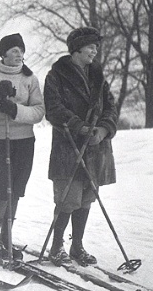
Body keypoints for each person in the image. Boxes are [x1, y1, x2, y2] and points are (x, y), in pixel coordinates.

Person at [44, 27, 118, 267]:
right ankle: (56, 248)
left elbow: (110, 106)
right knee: (68, 197)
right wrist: (79, 127)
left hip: (95, 147)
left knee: (87, 197)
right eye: (90, 46)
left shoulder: (98, 75)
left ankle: (77, 247)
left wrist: (103, 129)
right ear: (76, 49)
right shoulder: (56, 75)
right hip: (69, 146)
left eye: (96, 47)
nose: (95, 51)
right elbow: (53, 109)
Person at [0, 33, 45, 261]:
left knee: (15, 190)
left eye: (21, 50)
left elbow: (38, 112)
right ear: (3, 53)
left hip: (23, 141)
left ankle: (6, 238)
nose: (19, 54)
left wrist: (14, 110)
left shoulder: (30, 79)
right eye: (14, 50)